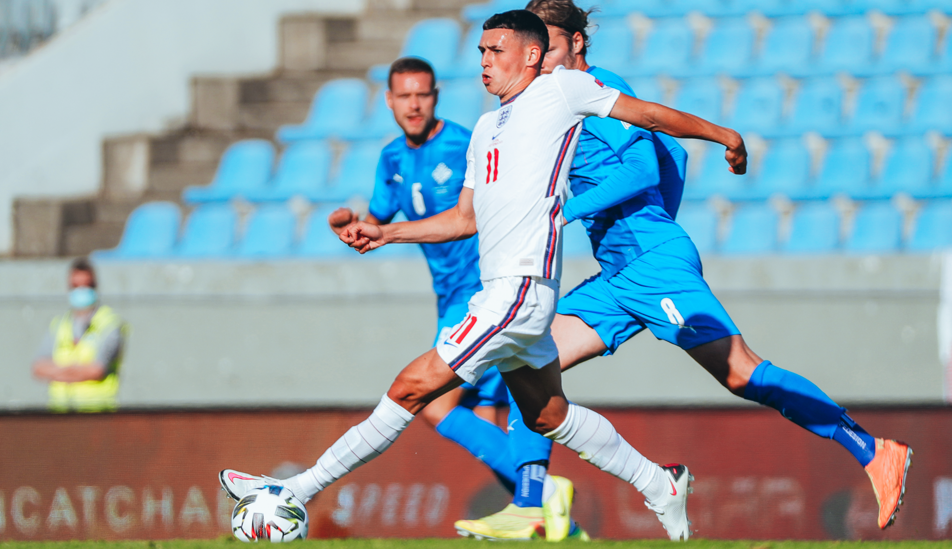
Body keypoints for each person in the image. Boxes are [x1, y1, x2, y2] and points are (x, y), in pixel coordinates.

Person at [220, 10, 747, 542]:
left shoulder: (562, 90)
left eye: (496, 51)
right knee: (547, 416)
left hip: (518, 293)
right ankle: (661, 484)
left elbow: (650, 117)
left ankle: (295, 490)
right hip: (505, 295)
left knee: (410, 391)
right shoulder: (487, 128)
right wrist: (385, 234)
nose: (484, 63)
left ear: (532, 54)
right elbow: (462, 220)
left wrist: (723, 134)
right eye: (481, 52)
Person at [508, 0, 906, 533]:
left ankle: (872, 449)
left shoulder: (596, 87)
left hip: (653, 266)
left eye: (550, 47)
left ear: (577, 42)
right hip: (619, 276)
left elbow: (648, 164)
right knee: (526, 363)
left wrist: (580, 214)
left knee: (741, 372)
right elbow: (678, 157)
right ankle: (535, 506)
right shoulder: (558, 101)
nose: (541, 63)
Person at [326, 56, 587, 541]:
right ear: (389, 100)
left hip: (484, 291)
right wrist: (352, 225)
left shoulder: (466, 139)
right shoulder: (391, 159)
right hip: (448, 295)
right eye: (403, 96)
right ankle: (557, 524)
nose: (413, 105)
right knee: (485, 418)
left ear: (435, 96)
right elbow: (379, 220)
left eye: (421, 94)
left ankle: (546, 496)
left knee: (434, 405)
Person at [31, 257, 127, 413]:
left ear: (95, 287)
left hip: (97, 414)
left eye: (86, 286)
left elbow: (97, 369)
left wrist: (59, 373)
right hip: (60, 415)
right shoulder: (60, 325)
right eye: (75, 286)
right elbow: (38, 367)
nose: (81, 291)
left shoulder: (109, 323)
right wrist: (76, 372)